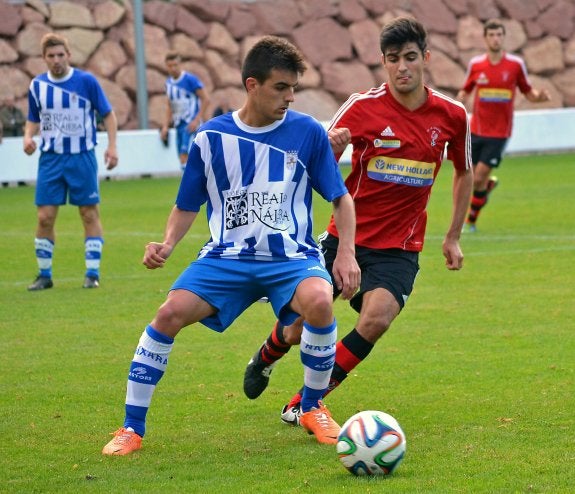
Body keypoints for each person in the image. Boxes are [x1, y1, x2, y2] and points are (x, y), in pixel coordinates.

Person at [101, 36, 360, 456]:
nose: (290, 97)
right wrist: (167, 243)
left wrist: (345, 252)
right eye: (281, 87)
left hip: (290, 257)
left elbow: (341, 198)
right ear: (251, 84)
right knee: (168, 314)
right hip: (227, 258)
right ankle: (132, 428)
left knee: (320, 300)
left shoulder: (309, 132)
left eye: (293, 88)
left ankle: (313, 407)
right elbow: (187, 204)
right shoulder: (209, 138)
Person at [243, 17, 474, 427]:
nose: (402, 67)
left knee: (377, 317)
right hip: (345, 240)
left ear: (426, 58)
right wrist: (330, 151)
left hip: (400, 246)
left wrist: (453, 236)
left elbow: (464, 171)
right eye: (392, 59)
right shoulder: (362, 107)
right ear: (383, 64)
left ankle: (306, 401)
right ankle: (267, 354)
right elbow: (315, 171)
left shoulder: (452, 115)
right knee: (297, 329)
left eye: (410, 57)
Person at [24, 33, 118, 291]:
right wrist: (27, 137)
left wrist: (112, 146)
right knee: (44, 217)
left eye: (60, 55)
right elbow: (33, 117)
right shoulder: (37, 86)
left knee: (88, 213)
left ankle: (92, 274)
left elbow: (108, 115)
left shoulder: (86, 81)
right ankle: (44, 275)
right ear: (44, 58)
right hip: (50, 159)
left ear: (69, 55)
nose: (56, 60)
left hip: (82, 157)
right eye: (51, 56)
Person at [456, 19, 550, 232]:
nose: (496, 39)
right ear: (485, 38)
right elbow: (465, 90)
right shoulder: (477, 65)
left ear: (504, 37)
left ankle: (470, 222)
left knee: (478, 177)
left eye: (499, 34)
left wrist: (540, 97)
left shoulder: (515, 65)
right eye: (492, 35)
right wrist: (457, 100)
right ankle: (486, 188)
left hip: (499, 132)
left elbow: (529, 91)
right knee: (469, 176)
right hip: (476, 128)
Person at [159, 51, 210, 170]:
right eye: (170, 66)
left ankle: (191, 186)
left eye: (175, 65)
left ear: (180, 64)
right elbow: (169, 106)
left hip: (191, 124)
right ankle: (193, 185)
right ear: (166, 66)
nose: (173, 68)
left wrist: (196, 120)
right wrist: (165, 126)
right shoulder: (168, 84)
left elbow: (206, 99)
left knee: (186, 153)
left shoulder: (190, 80)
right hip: (179, 124)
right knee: (182, 157)